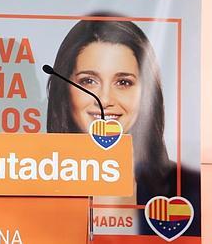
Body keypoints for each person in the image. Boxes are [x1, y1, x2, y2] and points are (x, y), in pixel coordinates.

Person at [46, 14, 200, 235]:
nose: (106, 100)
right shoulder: (32, 180)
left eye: (123, 82)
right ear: (65, 90)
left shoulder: (190, 190)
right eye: (88, 81)